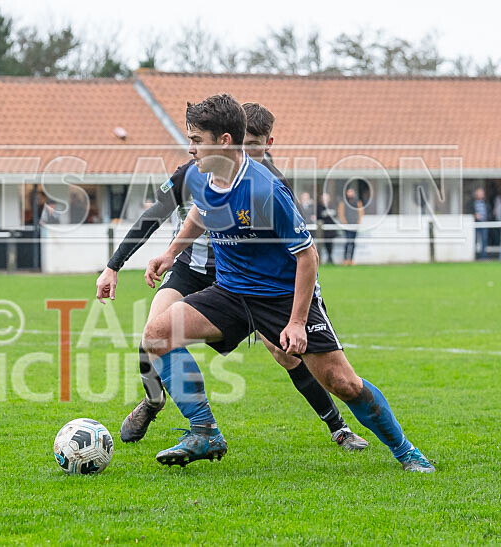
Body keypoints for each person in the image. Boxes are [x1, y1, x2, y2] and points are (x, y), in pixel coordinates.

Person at [141, 94, 433, 472]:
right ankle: (204, 430)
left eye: (196, 140)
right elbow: (200, 210)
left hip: (280, 296)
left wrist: (296, 321)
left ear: (225, 140)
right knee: (157, 334)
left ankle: (407, 452)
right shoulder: (200, 174)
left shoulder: (266, 189)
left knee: (342, 382)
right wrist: (171, 253)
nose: (190, 148)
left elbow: (307, 256)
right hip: (230, 292)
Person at [97, 101, 366, 452]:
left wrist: (304, 307)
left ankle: (338, 426)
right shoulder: (196, 168)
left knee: (286, 353)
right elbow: (155, 213)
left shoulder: (268, 184)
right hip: (191, 270)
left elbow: (300, 250)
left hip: (248, 281)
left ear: (267, 145)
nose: (249, 151)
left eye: (257, 145)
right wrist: (114, 264)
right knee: (155, 331)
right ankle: (153, 401)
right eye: (246, 143)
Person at [338, 187, 363, 265]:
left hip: (354, 225)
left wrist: (358, 222)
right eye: (349, 192)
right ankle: (345, 259)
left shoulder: (357, 202)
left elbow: (361, 212)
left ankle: (351, 259)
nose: (350, 194)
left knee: (353, 242)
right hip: (347, 225)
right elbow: (341, 213)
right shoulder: (343, 202)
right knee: (347, 242)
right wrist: (344, 222)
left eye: (351, 192)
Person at [317, 193, 337, 264]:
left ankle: (330, 257)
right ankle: (323, 258)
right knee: (324, 243)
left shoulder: (332, 205)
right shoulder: (319, 206)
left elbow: (335, 215)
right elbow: (318, 216)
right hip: (323, 229)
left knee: (331, 243)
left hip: (331, 228)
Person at [472, 187, 489, 259]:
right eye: (480, 193)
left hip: (484, 223)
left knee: (484, 239)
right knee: (474, 240)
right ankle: (474, 255)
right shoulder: (472, 203)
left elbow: (489, 212)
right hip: (476, 224)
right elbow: (468, 210)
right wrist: (474, 215)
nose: (481, 194)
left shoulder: (486, 203)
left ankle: (483, 256)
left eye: (482, 193)